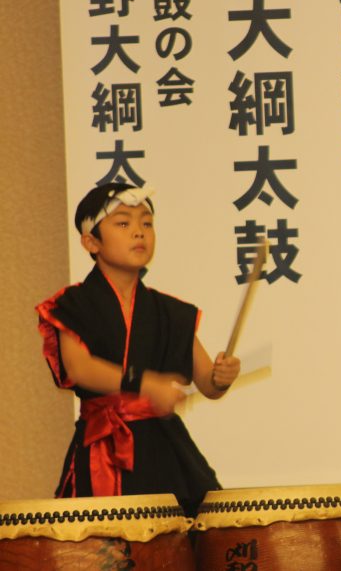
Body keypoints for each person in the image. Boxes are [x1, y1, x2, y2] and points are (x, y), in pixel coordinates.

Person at [35, 183, 240, 517]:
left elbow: (207, 384)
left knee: (180, 547)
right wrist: (144, 383)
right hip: (103, 447)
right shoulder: (73, 304)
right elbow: (80, 369)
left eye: (146, 223)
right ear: (91, 242)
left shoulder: (170, 311)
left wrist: (222, 377)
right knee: (102, 550)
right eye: (123, 223)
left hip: (164, 446)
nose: (139, 233)